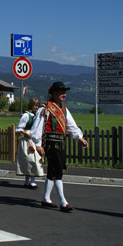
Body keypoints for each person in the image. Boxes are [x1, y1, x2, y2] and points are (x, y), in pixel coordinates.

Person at [31, 82, 88, 212]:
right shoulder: (45, 108)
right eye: (61, 92)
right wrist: (38, 144)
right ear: (54, 93)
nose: (64, 94)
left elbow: (71, 125)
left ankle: (46, 199)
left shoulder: (63, 108)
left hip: (61, 144)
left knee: (52, 171)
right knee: (58, 172)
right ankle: (63, 201)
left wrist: (79, 137)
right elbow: (37, 129)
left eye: (64, 92)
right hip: (51, 144)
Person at [16, 97, 44, 188]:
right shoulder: (26, 116)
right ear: (31, 106)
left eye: (37, 106)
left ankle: (32, 180)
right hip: (26, 140)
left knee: (35, 159)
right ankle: (28, 181)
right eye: (35, 105)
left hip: (34, 139)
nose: (36, 107)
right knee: (28, 160)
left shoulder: (36, 115)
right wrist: (26, 133)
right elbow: (19, 128)